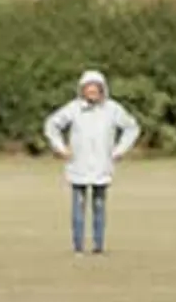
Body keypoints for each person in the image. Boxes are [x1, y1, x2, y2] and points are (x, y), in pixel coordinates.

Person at [42, 70, 140, 256]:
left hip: (102, 165)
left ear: (102, 90)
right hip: (78, 165)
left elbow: (131, 128)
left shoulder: (112, 109)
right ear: (83, 90)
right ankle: (78, 247)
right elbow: (51, 125)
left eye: (96, 89)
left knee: (99, 206)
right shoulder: (74, 108)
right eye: (89, 89)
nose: (92, 92)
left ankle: (98, 246)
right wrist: (61, 148)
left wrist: (120, 150)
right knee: (78, 206)